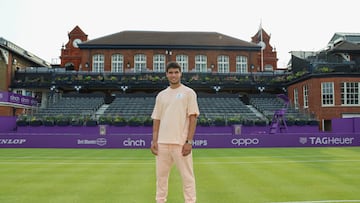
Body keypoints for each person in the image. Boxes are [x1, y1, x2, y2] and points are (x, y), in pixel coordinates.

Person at [150, 61, 200, 203]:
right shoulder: (161, 95)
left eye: (176, 72)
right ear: (166, 74)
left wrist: (189, 142)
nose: (173, 75)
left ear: (180, 73)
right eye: (170, 72)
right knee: (161, 178)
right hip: (162, 143)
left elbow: (193, 118)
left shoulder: (188, 93)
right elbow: (157, 119)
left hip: (180, 143)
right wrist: (154, 140)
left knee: (187, 177)